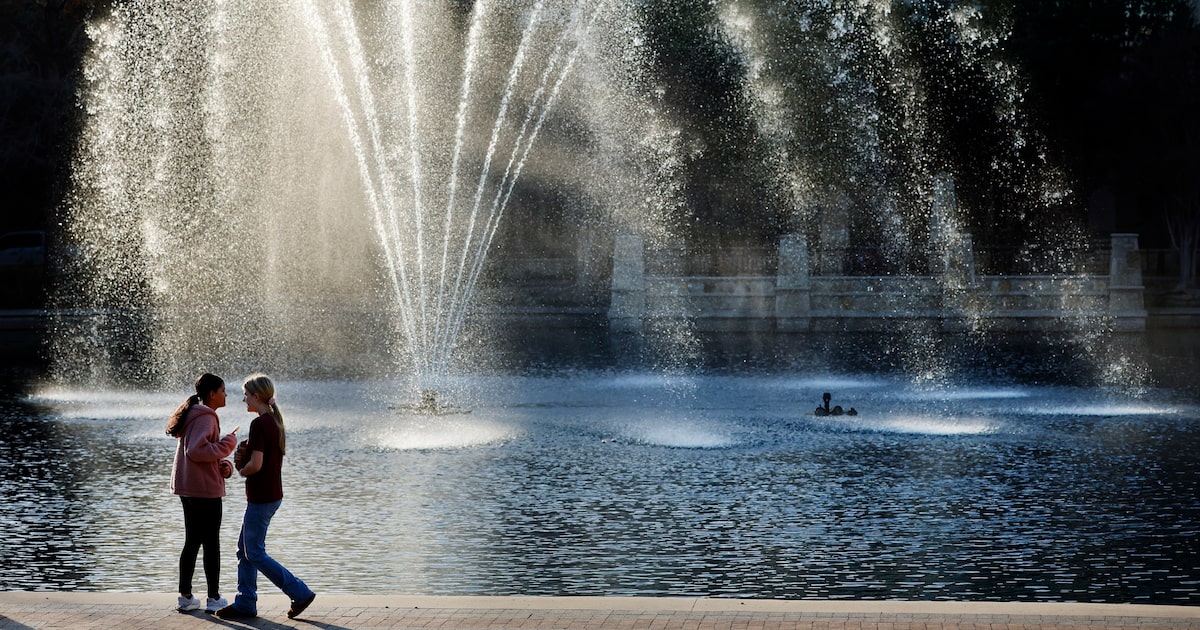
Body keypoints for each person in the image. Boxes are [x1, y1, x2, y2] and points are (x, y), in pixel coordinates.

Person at [215, 374, 316, 620]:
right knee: (244, 550)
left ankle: (299, 592)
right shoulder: (273, 422)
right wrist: (247, 450)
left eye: (246, 395)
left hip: (262, 497)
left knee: (254, 552)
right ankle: (246, 603)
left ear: (257, 396)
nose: (243, 399)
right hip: (271, 495)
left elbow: (256, 465)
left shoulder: (260, 424)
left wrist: (241, 468)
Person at [167, 373, 239, 614]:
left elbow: (201, 452)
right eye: (223, 391)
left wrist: (224, 465)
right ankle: (213, 598)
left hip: (189, 486)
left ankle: (186, 597)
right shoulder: (206, 415)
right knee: (210, 543)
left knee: (192, 541)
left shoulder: (193, 413)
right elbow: (196, 450)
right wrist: (228, 443)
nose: (226, 395)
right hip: (204, 490)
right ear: (212, 394)